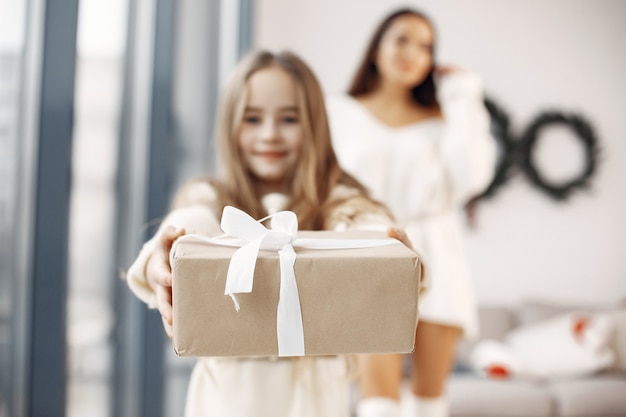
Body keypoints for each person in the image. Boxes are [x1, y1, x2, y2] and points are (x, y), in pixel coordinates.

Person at [125, 50, 420, 417]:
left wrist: (388, 251)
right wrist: (163, 255)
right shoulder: (212, 198)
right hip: (226, 401)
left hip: (314, 400)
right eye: (252, 118)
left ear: (314, 124)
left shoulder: (339, 201)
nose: (269, 134)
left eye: (289, 118)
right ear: (230, 125)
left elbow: (361, 225)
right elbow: (191, 224)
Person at [326, 8, 497, 417]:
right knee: (379, 402)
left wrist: (464, 94)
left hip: (438, 252)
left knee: (429, 404)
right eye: (401, 39)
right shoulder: (339, 112)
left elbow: (473, 176)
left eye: (425, 46)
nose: (412, 53)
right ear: (376, 48)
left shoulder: (445, 121)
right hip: (371, 251)